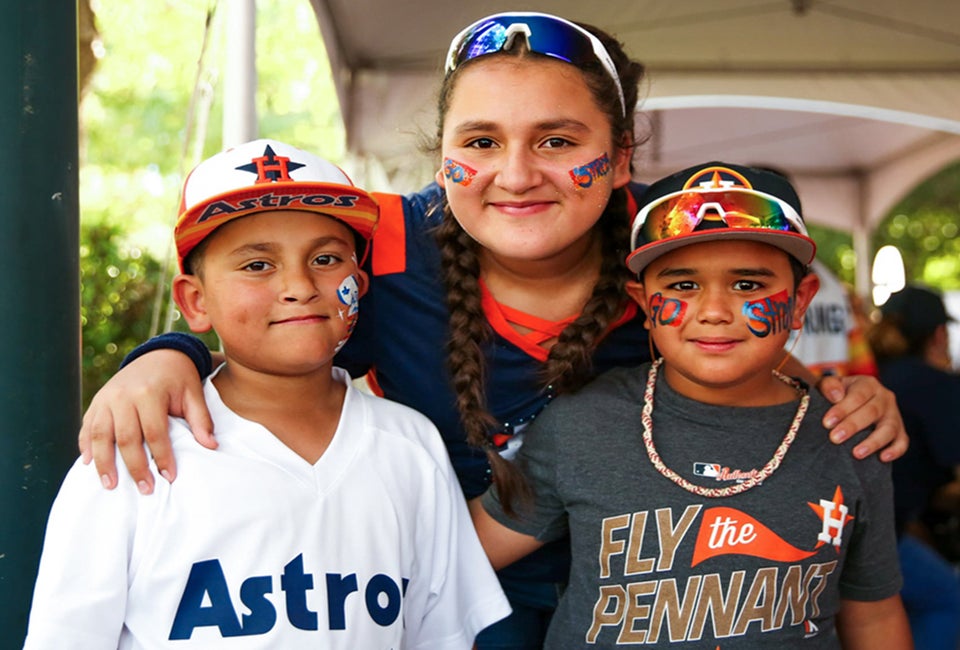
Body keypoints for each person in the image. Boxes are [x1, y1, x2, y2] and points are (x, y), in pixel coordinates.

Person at [77, 12, 907, 649]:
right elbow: (270, 318)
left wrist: (844, 395)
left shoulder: (672, 250)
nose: (516, 174)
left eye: (557, 140)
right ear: (442, 157)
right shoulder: (381, 246)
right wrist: (167, 354)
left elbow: (748, 345)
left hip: (650, 607)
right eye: (481, 141)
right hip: (444, 603)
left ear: (619, 159)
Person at [24, 139, 510, 648]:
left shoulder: (411, 446)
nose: (299, 285)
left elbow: (439, 636)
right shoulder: (134, 449)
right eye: (257, 265)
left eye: (325, 258)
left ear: (360, 284)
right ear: (196, 301)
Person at [471, 162, 911, 648]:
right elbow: (458, 554)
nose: (715, 311)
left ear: (801, 299)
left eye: (748, 285)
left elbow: (873, 617)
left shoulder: (850, 434)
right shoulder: (582, 424)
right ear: (642, 302)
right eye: (682, 285)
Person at [868, 284, 960, 650]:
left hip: (857, 523)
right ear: (939, 334)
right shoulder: (938, 386)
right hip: (887, 530)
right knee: (947, 602)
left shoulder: (872, 375)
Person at [789, 258, 879, 379]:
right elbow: (862, 367)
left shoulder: (783, 268)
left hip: (790, 389)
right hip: (836, 387)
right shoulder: (830, 281)